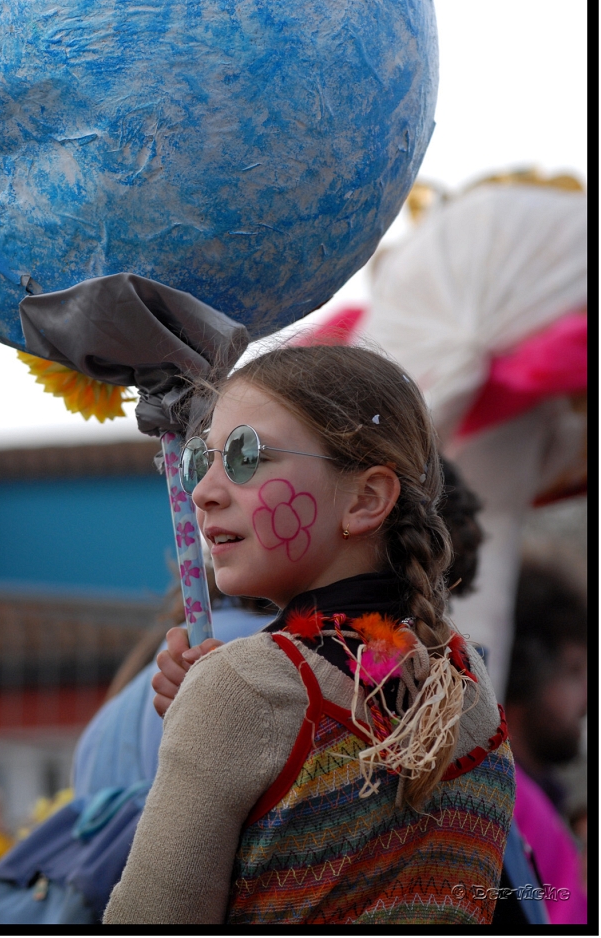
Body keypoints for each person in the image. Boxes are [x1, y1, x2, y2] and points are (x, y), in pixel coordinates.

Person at [103, 344, 515, 926]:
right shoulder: (466, 677)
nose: (204, 492)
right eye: (202, 460)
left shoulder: (242, 690)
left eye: (246, 456)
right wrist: (210, 720)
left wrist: (218, 709)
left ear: (367, 498)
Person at [505, 562, 587, 925]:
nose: (588, 698)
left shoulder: (543, 804)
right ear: (526, 670)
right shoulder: (509, 797)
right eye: (574, 671)